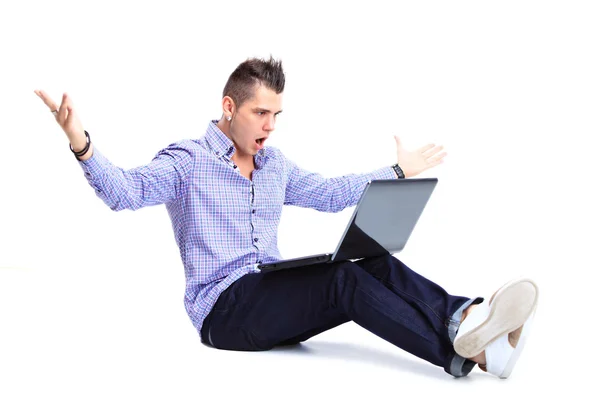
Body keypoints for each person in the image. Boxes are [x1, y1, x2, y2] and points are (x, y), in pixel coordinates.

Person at [34, 56, 538, 379]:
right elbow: (125, 192)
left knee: (370, 259)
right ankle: (466, 352)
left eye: (276, 115)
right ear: (229, 107)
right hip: (224, 312)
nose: (270, 127)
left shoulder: (273, 165)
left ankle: (467, 320)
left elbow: (327, 192)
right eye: (261, 114)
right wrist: (81, 142)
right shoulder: (187, 163)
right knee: (343, 280)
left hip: (271, 292)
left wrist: (397, 170)